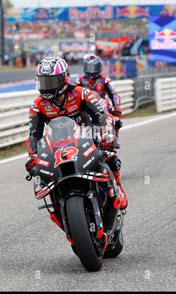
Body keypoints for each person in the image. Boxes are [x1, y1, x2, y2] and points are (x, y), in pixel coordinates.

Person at [25, 57, 128, 210]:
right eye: (44, 82)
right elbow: (34, 135)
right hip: (59, 144)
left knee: (110, 155)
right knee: (44, 177)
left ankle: (117, 187)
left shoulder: (82, 93)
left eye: (51, 82)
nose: (47, 87)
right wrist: (33, 156)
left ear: (64, 79)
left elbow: (102, 117)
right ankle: (59, 206)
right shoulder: (37, 105)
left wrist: (107, 135)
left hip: (88, 137)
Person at [75, 55, 123, 137]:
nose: (91, 71)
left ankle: (113, 136)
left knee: (117, 120)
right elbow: (73, 93)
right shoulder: (79, 80)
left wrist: (117, 107)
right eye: (89, 67)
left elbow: (114, 94)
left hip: (103, 104)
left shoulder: (105, 80)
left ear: (99, 68)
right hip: (86, 105)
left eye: (94, 68)